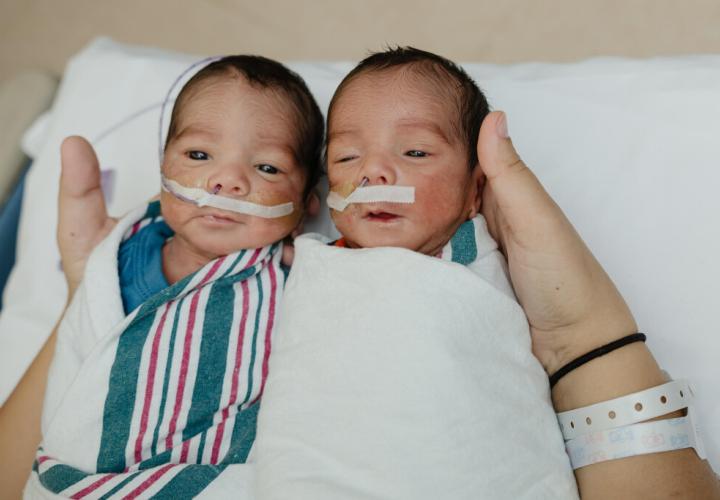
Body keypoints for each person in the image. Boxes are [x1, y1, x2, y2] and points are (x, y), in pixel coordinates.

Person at [1, 52, 719, 499]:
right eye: (348, 159)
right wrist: (89, 284)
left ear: (477, 188)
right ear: (324, 199)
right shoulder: (299, 273)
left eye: (414, 153)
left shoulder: (473, 274)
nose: (376, 173)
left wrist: (578, 329)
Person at [15, 55, 324, 498]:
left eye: (267, 168)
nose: (226, 180)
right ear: (163, 169)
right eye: (199, 155)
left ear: (305, 203)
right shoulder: (113, 261)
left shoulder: (297, 281)